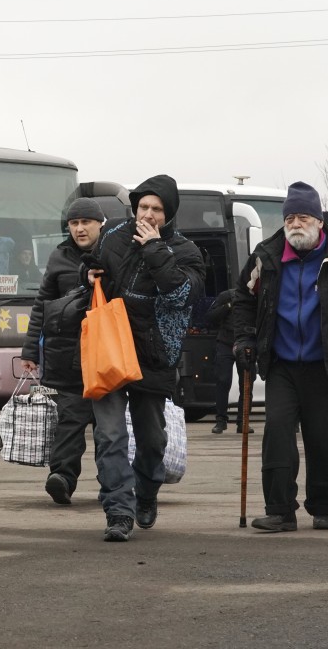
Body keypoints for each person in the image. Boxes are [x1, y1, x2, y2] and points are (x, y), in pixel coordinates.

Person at [232, 181, 328, 533]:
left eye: (303, 217)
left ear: (318, 221)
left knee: (326, 440)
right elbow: (243, 298)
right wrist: (244, 339)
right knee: (278, 432)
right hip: (283, 364)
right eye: (290, 218)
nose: (295, 224)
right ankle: (280, 510)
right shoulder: (265, 256)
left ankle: (323, 506)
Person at [85, 175, 204, 542]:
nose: (148, 214)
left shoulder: (185, 251)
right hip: (110, 347)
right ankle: (118, 512)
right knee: (109, 435)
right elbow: (92, 265)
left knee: (152, 439)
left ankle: (147, 491)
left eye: (156, 209)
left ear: (168, 215)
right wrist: (86, 273)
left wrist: (154, 248)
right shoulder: (114, 235)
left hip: (153, 355)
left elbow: (182, 293)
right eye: (143, 207)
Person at [21, 197, 105, 505]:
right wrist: (30, 349)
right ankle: (63, 478)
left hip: (109, 354)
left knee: (108, 425)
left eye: (86, 222)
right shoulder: (59, 257)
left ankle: (111, 482)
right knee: (69, 420)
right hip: (68, 356)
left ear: (100, 223)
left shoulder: (115, 252)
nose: (80, 229)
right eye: (74, 223)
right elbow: (42, 306)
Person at [205, 289, 254, 434]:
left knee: (246, 384)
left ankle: (243, 422)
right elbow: (210, 317)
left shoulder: (253, 298)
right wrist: (228, 306)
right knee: (222, 380)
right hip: (225, 342)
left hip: (245, 343)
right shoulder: (227, 295)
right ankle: (221, 421)